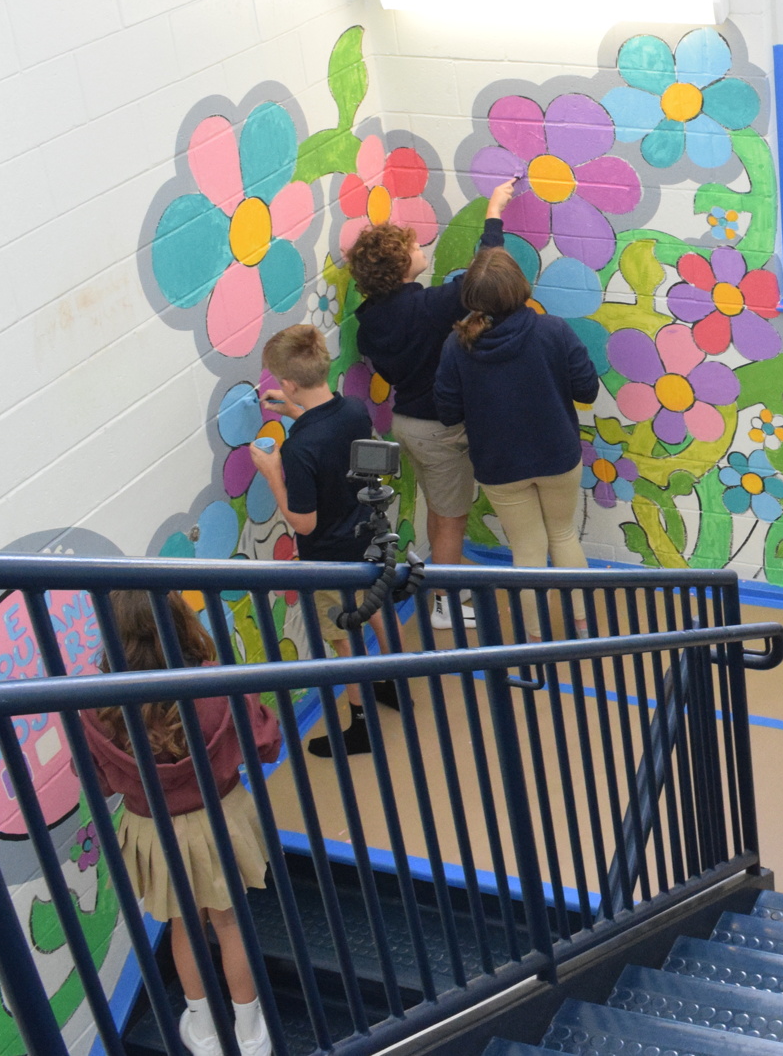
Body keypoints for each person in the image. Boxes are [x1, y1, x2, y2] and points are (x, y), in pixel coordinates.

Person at [81, 591, 282, 1056]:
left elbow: (98, 781)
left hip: (154, 832)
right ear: (179, 621)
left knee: (183, 927)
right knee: (230, 923)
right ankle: (251, 1034)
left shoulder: (94, 702)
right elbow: (266, 745)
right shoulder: (214, 682)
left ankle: (204, 1031)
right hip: (221, 818)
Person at [347, 180, 515, 629]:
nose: (424, 248)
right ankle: (445, 602)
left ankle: (446, 573)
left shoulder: (369, 325)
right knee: (452, 516)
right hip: (439, 427)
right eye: (416, 247)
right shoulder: (428, 307)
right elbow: (485, 273)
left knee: (441, 509)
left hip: (407, 423)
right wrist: (494, 212)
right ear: (403, 267)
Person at [433, 247, 600, 629]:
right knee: (563, 533)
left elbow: (447, 412)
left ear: (472, 296)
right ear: (519, 286)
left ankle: (535, 638)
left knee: (527, 549)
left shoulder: (457, 345)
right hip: (558, 455)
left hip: (499, 465)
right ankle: (583, 625)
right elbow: (586, 390)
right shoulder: (554, 330)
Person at [247, 324, 386, 757]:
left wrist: (272, 474)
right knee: (376, 606)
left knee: (344, 641)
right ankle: (393, 681)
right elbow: (330, 434)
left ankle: (361, 729)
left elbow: (303, 524)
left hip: (329, 556)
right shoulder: (354, 410)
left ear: (288, 382)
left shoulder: (298, 450)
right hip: (368, 538)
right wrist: (293, 411)